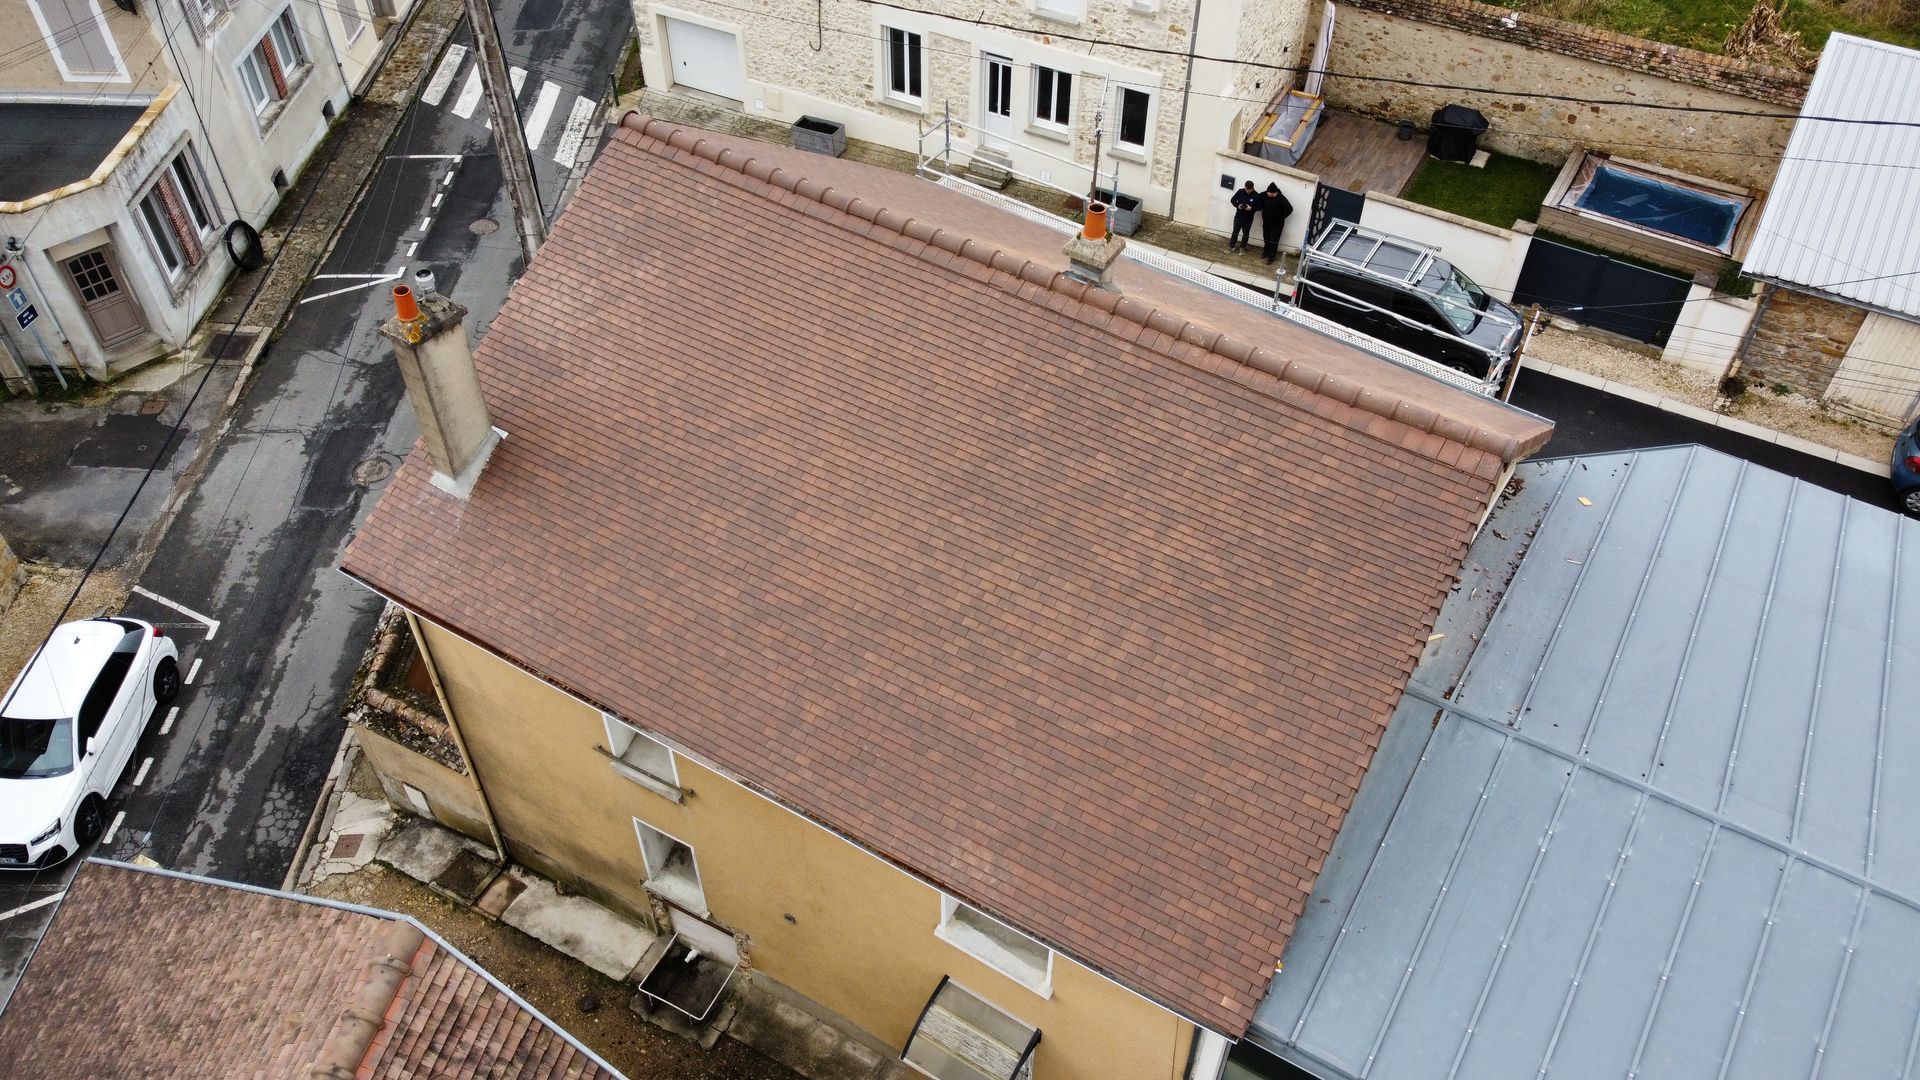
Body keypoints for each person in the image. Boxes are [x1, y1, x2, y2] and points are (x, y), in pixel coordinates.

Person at [1258, 182, 1294, 264]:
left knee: (1274, 241)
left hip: (1277, 225)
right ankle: (1266, 252)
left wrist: (1281, 218)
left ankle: (1271, 257)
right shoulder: (1265, 194)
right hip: (1266, 222)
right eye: (1268, 192)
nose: (1268, 194)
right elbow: (1258, 197)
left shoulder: (1281, 199)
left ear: (1274, 193)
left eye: (1270, 193)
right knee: (1266, 238)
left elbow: (1290, 209)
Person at [1229, 181, 1258, 253]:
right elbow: (1232, 200)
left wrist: (1251, 208)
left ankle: (1242, 247)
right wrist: (1238, 205)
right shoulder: (1240, 191)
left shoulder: (1256, 195)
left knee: (1246, 233)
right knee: (1235, 232)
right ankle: (1232, 246)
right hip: (1238, 216)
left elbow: (1259, 207)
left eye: (1249, 190)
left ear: (1252, 188)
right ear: (1245, 186)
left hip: (1248, 218)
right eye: (1246, 189)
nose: (1247, 191)